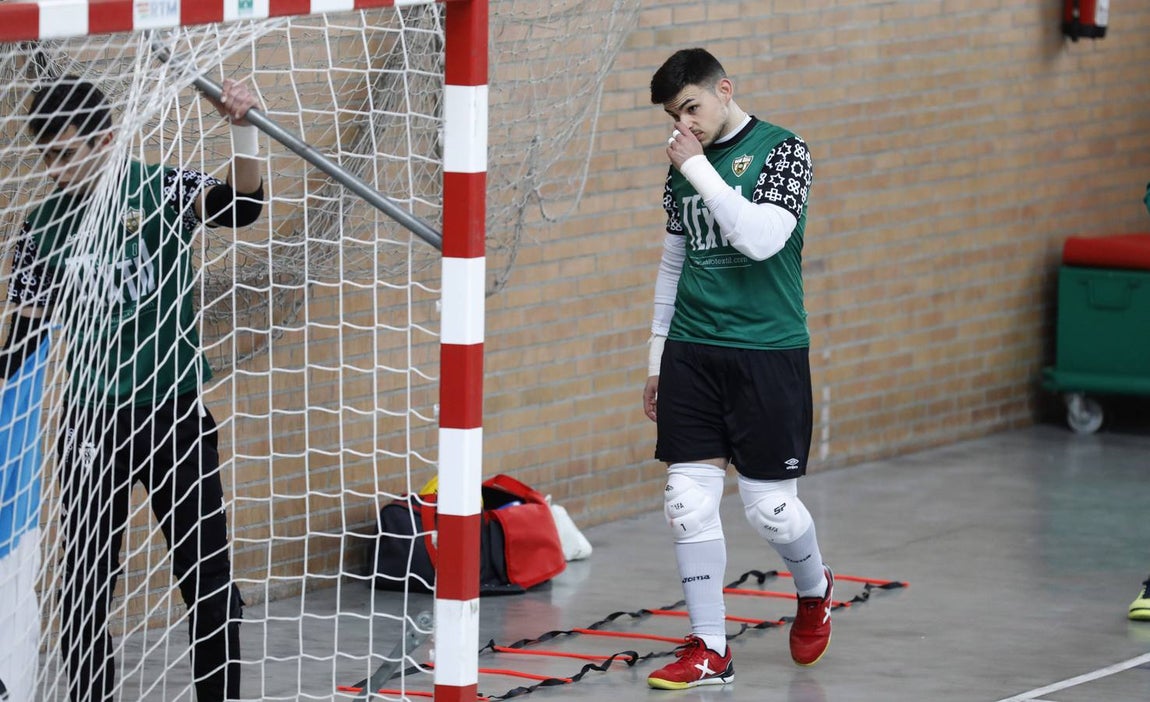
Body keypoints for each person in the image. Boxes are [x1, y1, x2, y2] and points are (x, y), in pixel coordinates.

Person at [4, 75, 265, 701]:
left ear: (108, 138)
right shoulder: (42, 227)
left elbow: (244, 206)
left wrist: (245, 128)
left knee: (208, 579)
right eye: (50, 160)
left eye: (70, 154)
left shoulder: (159, 186)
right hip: (91, 422)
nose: (61, 171)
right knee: (85, 587)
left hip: (173, 411)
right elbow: (21, 342)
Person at [641, 48, 832, 690]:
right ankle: (709, 649)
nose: (683, 126)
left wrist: (698, 168)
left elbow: (759, 239)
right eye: (674, 116)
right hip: (693, 351)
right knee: (686, 503)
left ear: (725, 90)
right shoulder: (682, 170)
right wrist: (656, 361)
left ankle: (813, 590)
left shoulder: (784, 151)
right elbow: (673, 265)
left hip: (767, 352)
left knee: (771, 511)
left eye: (692, 109)